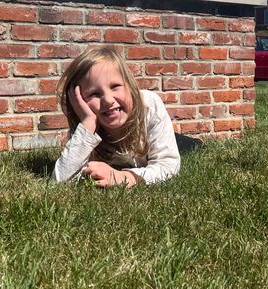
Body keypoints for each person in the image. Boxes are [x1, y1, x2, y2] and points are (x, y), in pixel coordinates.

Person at [52, 46, 180, 187]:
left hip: (154, 134)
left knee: (188, 145)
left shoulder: (149, 105)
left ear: (130, 86)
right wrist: (88, 123)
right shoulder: (84, 127)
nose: (108, 100)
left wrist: (123, 176)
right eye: (94, 94)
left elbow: (168, 166)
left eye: (115, 86)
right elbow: (60, 180)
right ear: (79, 101)